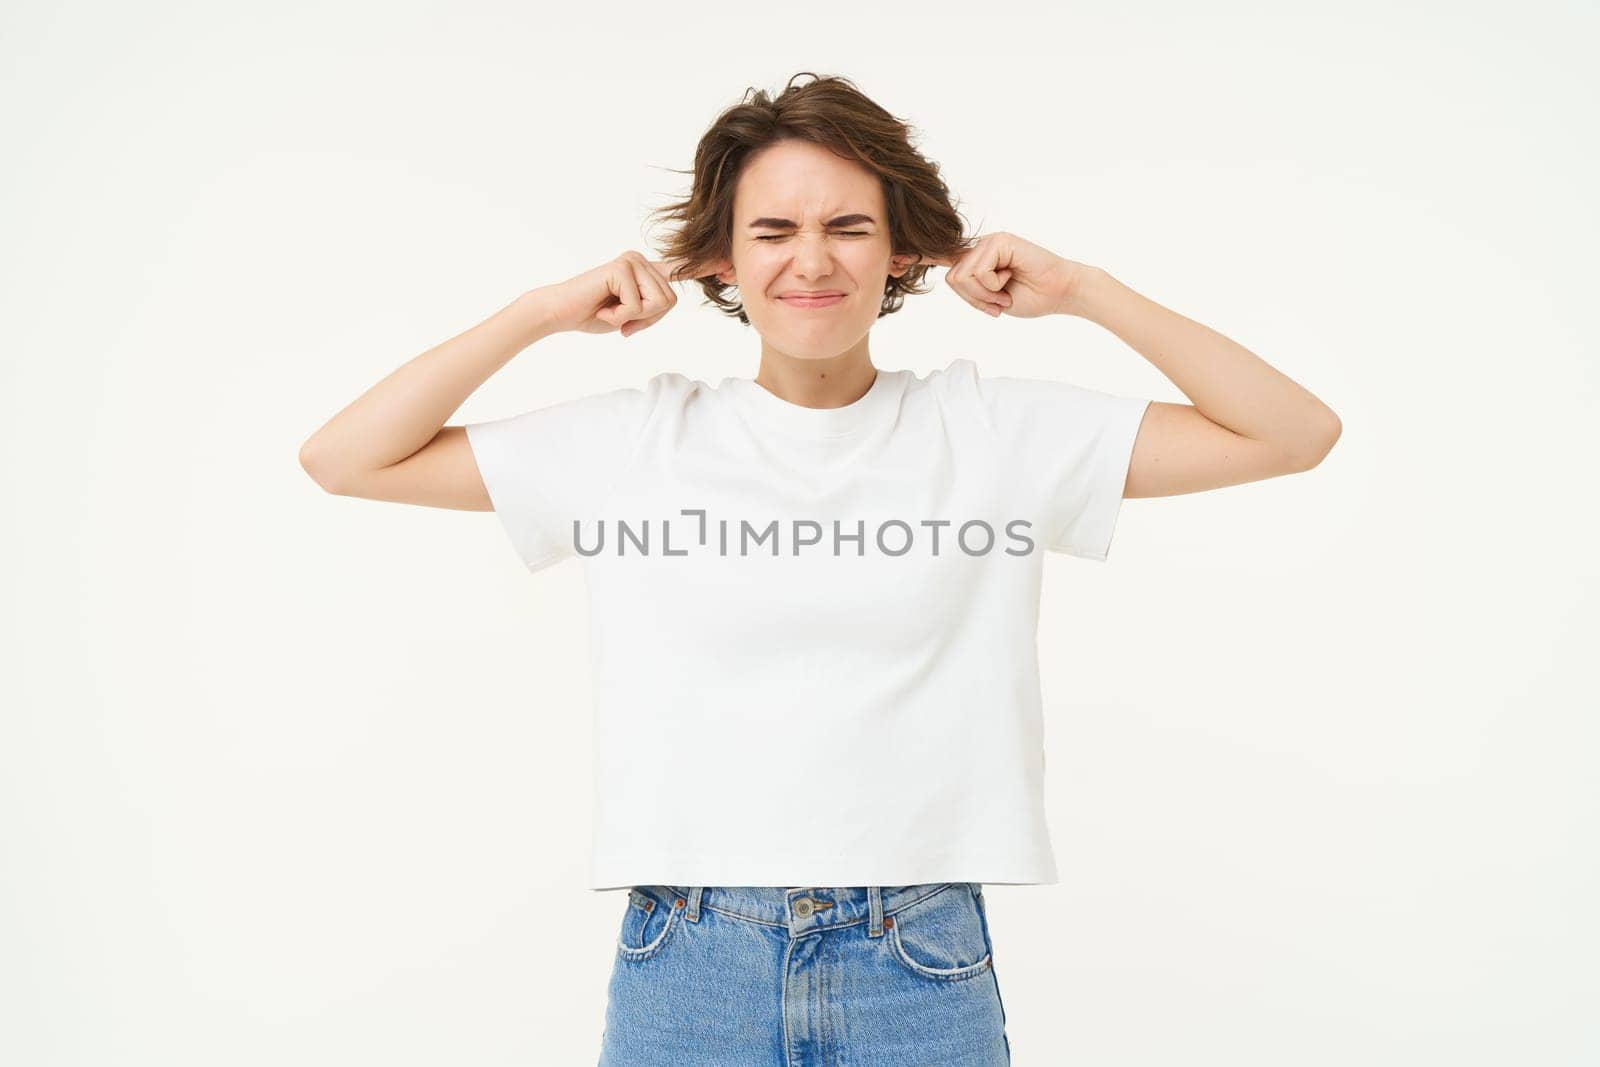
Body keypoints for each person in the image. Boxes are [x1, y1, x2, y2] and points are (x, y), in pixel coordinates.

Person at [298, 72, 1340, 1067]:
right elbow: (344, 457)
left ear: (901, 254)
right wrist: (537, 313)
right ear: (718, 258)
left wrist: (1087, 293)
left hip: (916, 958)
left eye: (847, 226)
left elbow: (1292, 432)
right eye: (773, 230)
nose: (811, 260)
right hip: (688, 959)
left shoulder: (986, 430)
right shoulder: (638, 440)